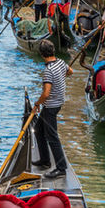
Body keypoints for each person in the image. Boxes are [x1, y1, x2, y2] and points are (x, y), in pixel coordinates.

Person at [32, 40, 73, 178]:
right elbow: (70, 72)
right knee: (38, 130)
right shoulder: (61, 62)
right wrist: (61, 77)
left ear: (42, 54)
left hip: (51, 105)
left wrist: (37, 104)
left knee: (52, 137)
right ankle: (45, 160)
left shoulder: (48, 71)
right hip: (57, 102)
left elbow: (46, 93)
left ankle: (61, 168)